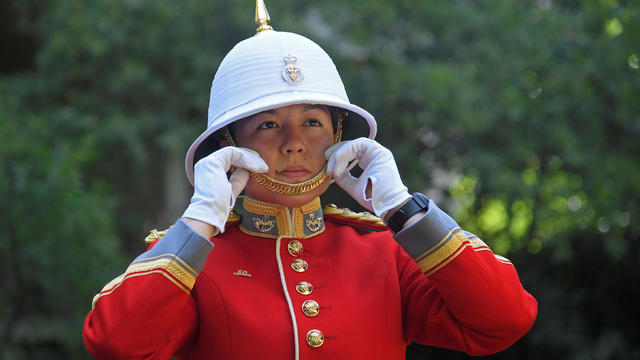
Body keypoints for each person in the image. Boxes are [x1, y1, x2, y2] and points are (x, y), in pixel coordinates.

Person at [82, 1, 537, 359]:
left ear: (338, 137)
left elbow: (503, 321)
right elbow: (118, 345)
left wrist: (402, 208)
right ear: (229, 146)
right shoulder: (194, 260)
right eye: (267, 125)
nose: (294, 143)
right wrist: (202, 217)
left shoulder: (385, 252)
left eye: (313, 122)